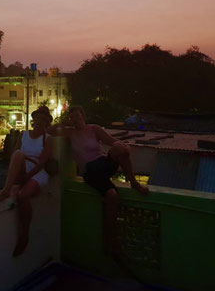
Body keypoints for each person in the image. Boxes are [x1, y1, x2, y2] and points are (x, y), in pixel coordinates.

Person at [48, 106, 148, 255]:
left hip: (102, 164)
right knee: (112, 196)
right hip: (90, 171)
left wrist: (124, 147)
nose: (75, 119)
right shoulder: (70, 132)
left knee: (119, 149)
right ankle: (111, 239)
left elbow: (112, 142)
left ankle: (133, 182)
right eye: (72, 117)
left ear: (83, 116)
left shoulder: (94, 129)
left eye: (77, 116)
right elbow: (50, 130)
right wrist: (64, 122)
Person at [0, 106, 54, 256]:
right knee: (19, 153)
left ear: (46, 121)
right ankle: (6, 190)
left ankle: (24, 234)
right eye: (37, 117)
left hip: (38, 173)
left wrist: (28, 176)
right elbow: (14, 155)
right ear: (34, 119)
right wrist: (21, 173)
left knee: (22, 196)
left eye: (43, 118)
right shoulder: (24, 134)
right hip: (23, 170)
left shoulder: (48, 139)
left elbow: (42, 163)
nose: (39, 120)